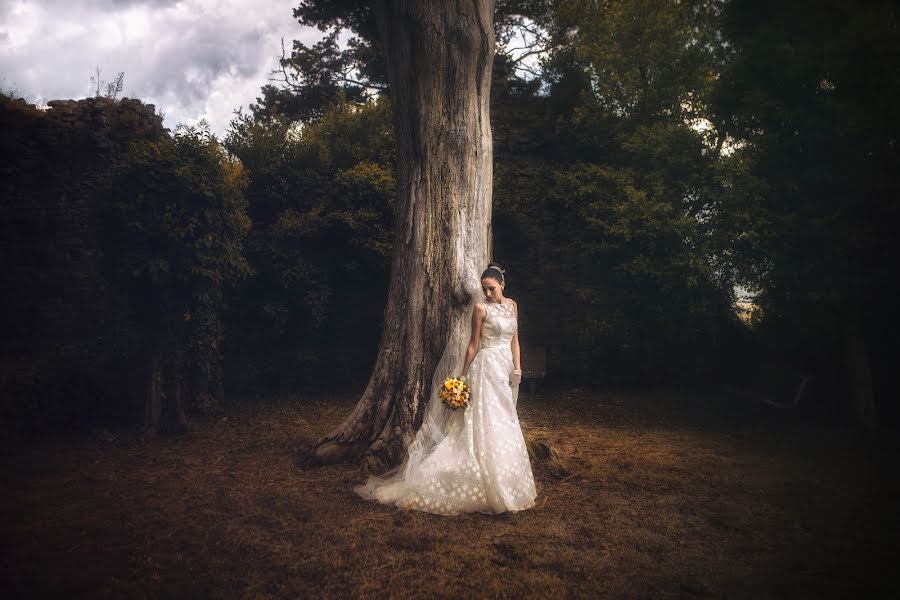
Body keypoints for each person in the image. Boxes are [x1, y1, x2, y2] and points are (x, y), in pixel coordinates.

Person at [354, 263, 537, 516]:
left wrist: (518, 369)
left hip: (505, 367)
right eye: (484, 289)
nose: (488, 293)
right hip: (485, 369)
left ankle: (507, 477)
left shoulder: (512, 306)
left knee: (506, 417)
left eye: (492, 289)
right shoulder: (480, 308)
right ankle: (480, 475)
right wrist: (462, 376)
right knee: (483, 420)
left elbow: (515, 341)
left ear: (502, 285)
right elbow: (473, 344)